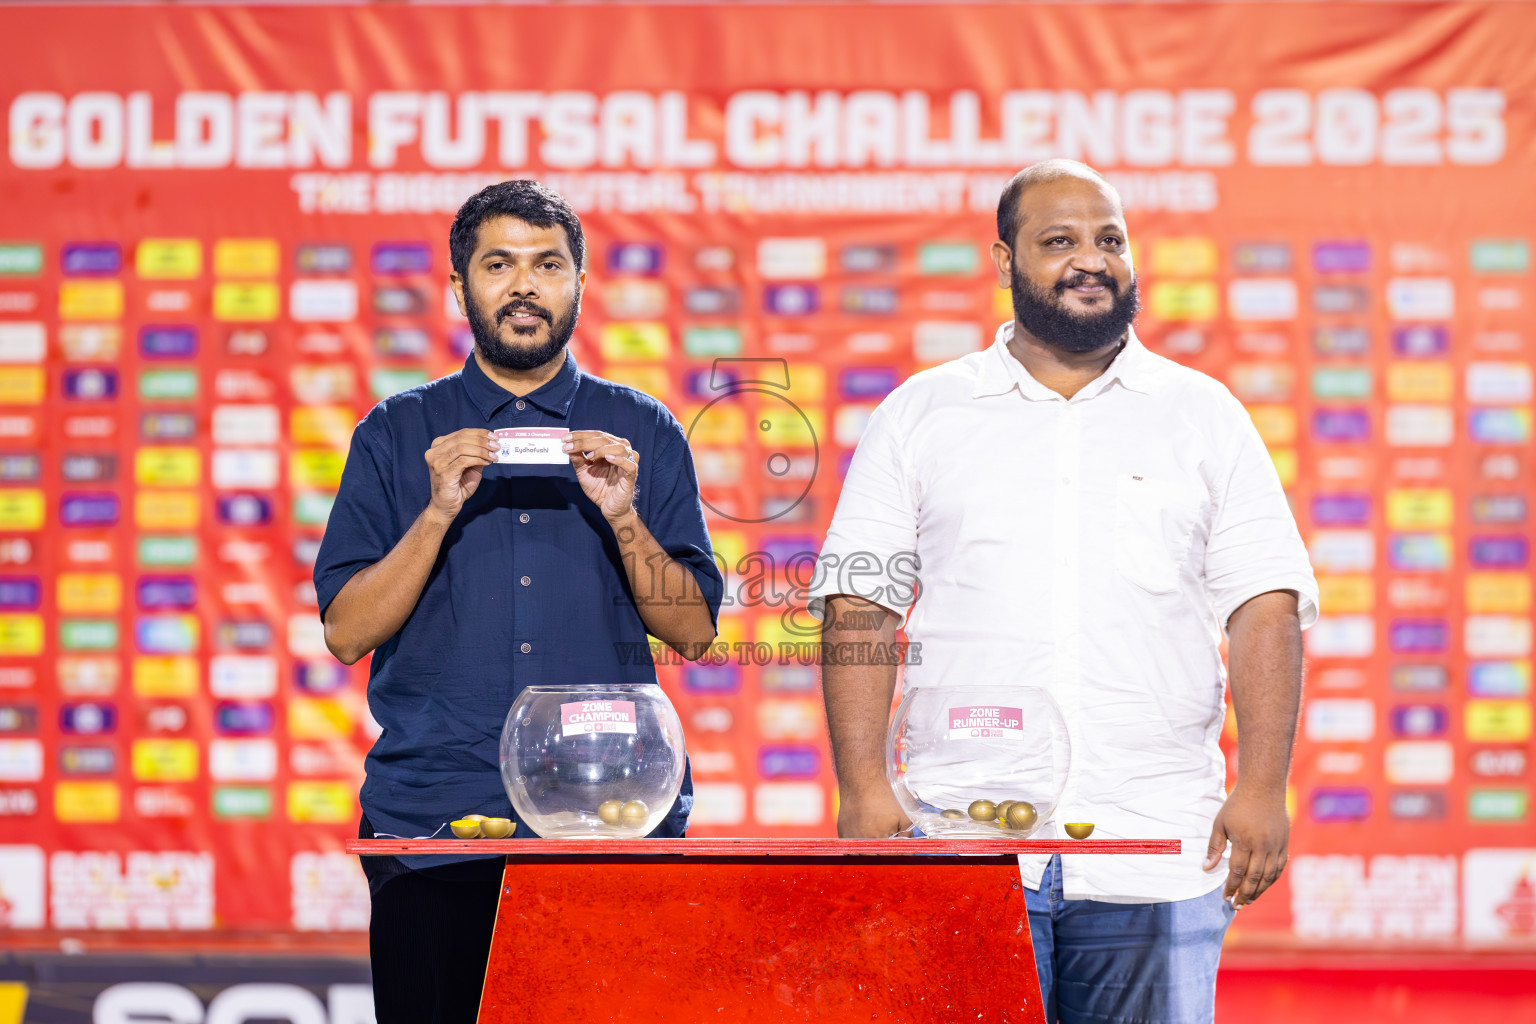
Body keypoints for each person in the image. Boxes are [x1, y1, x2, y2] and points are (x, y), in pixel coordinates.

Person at [810, 159, 1317, 1024]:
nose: (1092, 260)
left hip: (1156, 840)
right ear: (1005, 261)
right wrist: (862, 788)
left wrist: (1264, 786)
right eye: (1059, 242)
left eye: (1109, 240)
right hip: (961, 833)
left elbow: (1263, 603)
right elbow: (861, 604)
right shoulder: (923, 412)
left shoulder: (1203, 414)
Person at [314, 179, 723, 1023]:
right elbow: (348, 633)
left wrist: (623, 515)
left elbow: (693, 631)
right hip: (437, 826)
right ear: (460, 288)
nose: (524, 286)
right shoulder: (395, 433)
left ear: (580, 283)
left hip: (611, 821)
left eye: (548, 265)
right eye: (498, 265)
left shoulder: (642, 428)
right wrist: (436, 511)